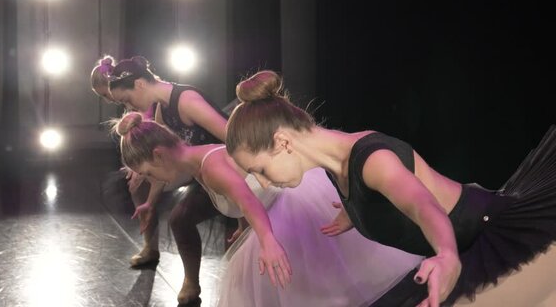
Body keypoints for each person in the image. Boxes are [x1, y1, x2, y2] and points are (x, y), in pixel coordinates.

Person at [225, 70, 556, 307]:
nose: (265, 183)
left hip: (487, 239)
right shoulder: (335, 168)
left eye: (261, 171)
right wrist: (358, 212)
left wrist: (447, 254)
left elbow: (423, 205)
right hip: (459, 251)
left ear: (282, 142)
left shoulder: (371, 161)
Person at [114, 112, 423, 307]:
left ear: (159, 155)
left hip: (288, 209)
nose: (156, 181)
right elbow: (246, 197)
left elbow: (249, 201)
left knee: (303, 283)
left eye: (151, 173)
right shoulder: (199, 163)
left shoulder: (210, 167)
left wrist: (268, 241)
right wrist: (244, 228)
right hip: (272, 213)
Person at [104, 55, 231, 304]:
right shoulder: (162, 109)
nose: (129, 108)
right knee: (180, 219)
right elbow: (165, 163)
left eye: (127, 100)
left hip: (227, 170)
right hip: (202, 173)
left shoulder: (187, 101)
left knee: (203, 226)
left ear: (139, 84)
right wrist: (150, 203)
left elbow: (233, 140)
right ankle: (191, 283)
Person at [90, 55, 162, 270]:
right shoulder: (132, 102)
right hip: (148, 153)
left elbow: (154, 131)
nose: (108, 100)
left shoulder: (146, 99)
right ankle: (150, 245)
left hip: (162, 149)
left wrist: (142, 168)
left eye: (106, 95)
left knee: (141, 188)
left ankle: (151, 245)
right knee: (136, 190)